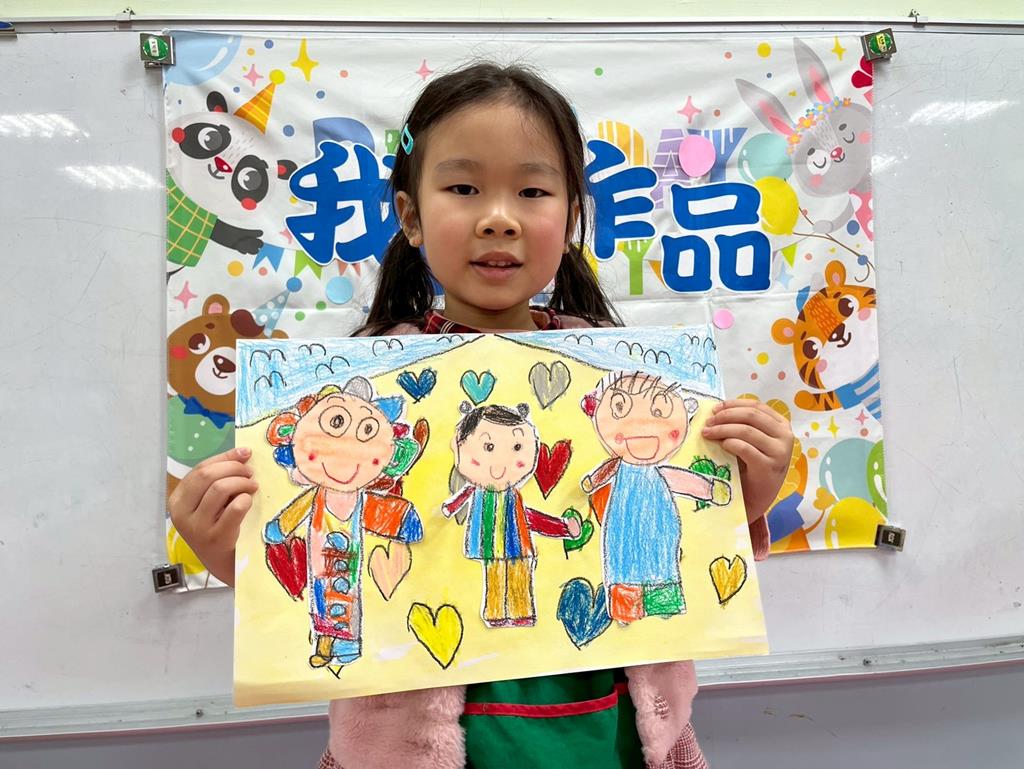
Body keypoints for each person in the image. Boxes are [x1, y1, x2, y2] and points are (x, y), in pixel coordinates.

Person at [169, 61, 794, 769]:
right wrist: (227, 550)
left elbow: (677, 535)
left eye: (532, 190)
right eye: (463, 188)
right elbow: (332, 560)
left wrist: (748, 495)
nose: (499, 216)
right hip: (413, 749)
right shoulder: (358, 396)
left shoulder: (626, 382)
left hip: (613, 735)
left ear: (571, 216)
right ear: (410, 215)